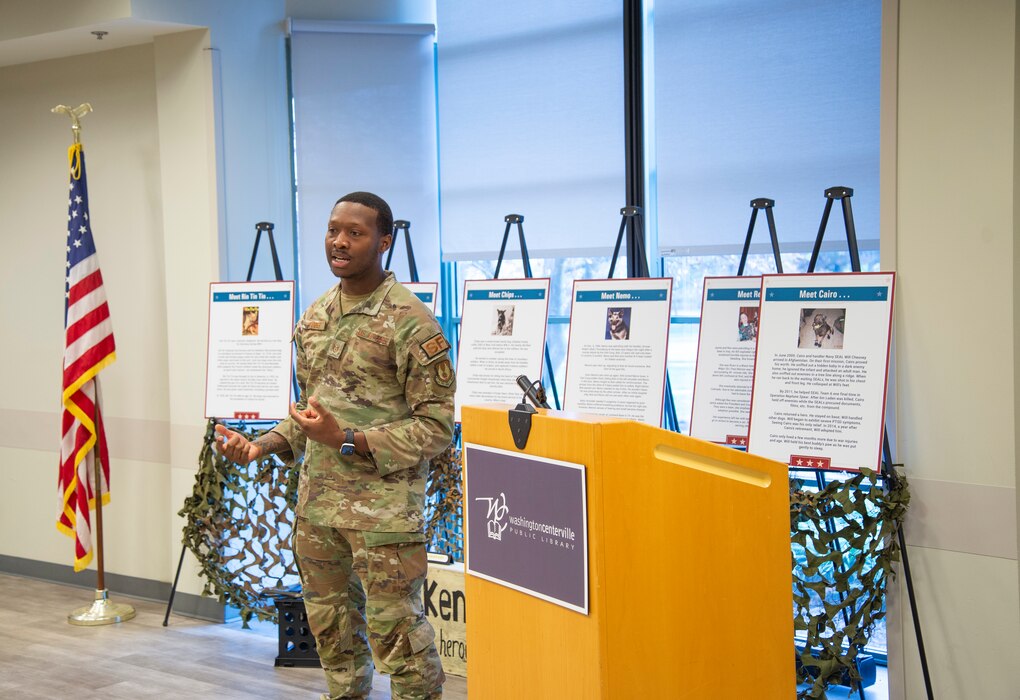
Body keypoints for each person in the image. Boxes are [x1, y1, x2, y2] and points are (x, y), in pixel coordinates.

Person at [214, 191, 455, 700]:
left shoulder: (412, 322)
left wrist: (347, 440)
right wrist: (261, 446)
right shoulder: (318, 313)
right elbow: (312, 410)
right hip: (318, 510)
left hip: (384, 518)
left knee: (402, 645)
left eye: (355, 232)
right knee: (334, 640)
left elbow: (436, 429)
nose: (339, 242)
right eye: (332, 230)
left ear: (384, 241)